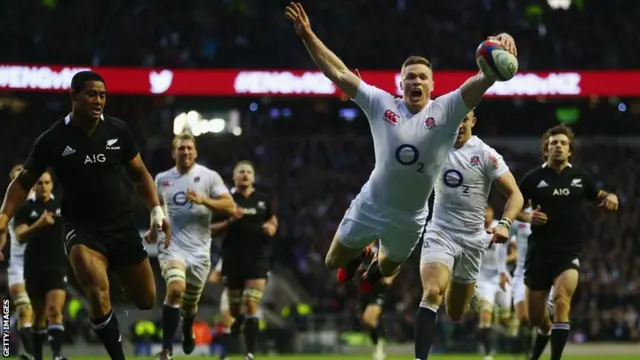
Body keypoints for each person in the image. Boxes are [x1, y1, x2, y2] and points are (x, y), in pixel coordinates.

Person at [284, 2, 518, 293]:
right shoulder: (381, 103)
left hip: (410, 217)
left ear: (432, 85)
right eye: (410, 76)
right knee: (333, 262)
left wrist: (501, 47)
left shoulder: (447, 110)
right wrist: (307, 35)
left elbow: (483, 79)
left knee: (388, 268)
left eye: (422, 77)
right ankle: (362, 252)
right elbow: (339, 72)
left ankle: (372, 260)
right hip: (371, 204)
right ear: (401, 83)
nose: (416, 81)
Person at [0, 71, 171, 360]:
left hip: (121, 226)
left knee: (146, 298)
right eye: (92, 94)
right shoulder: (53, 139)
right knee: (96, 290)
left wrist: (156, 210)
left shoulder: (118, 131)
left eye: (103, 95)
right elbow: (22, 182)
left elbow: (140, 175)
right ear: (74, 97)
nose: (99, 100)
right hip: (81, 229)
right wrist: (3, 217)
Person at [416, 111, 524, 360]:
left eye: (465, 119)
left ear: (473, 121)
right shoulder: (435, 146)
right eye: (455, 120)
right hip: (440, 232)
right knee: (432, 292)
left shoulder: (487, 154)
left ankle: (459, 281)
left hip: (473, 240)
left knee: (455, 312)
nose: (460, 124)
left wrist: (505, 223)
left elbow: (515, 194)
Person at [518, 124, 618, 360]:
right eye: (553, 143)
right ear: (546, 150)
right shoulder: (532, 179)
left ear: (570, 150)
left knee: (562, 300)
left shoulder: (580, 178)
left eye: (563, 143)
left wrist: (611, 196)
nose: (558, 147)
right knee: (535, 318)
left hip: (568, 252)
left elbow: (599, 196)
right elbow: (514, 209)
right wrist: (528, 216)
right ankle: (544, 333)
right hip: (539, 254)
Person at [154, 133, 236, 360]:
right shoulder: (162, 179)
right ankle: (167, 349)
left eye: (189, 148)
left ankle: (188, 329)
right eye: (181, 148)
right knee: (175, 289)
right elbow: (157, 208)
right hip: (172, 247)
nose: (186, 152)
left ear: (196, 152)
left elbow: (230, 207)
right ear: (174, 153)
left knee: (189, 306)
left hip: (200, 252)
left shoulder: (209, 177)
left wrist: (205, 201)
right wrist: (155, 229)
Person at [210, 161, 277, 360]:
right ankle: (236, 327)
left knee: (251, 304)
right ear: (234, 177)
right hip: (232, 260)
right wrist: (229, 221)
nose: (245, 175)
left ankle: (249, 353)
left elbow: (272, 219)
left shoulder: (263, 200)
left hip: (258, 259)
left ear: (253, 177)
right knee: (233, 309)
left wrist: (271, 227)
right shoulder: (226, 200)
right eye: (241, 172)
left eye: (248, 172)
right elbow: (211, 230)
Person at [13, 171, 67, 360]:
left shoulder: (61, 205)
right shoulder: (25, 209)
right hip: (34, 266)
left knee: (55, 310)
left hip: (57, 265)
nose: (43, 186)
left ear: (52, 185)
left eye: (46, 182)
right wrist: (40, 223)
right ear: (34, 186)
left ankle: (57, 356)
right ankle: (37, 357)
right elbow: (20, 236)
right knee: (38, 317)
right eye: (39, 183)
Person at [3, 165, 36, 360]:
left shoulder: (44, 202)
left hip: (41, 264)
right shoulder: (10, 207)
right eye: (14, 181)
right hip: (17, 263)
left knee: (38, 313)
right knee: (23, 308)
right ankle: (26, 353)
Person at [509, 207, 552, 360]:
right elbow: (503, 243)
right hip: (522, 273)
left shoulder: (552, 213)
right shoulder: (520, 216)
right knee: (523, 318)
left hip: (545, 273)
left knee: (544, 324)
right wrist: (502, 270)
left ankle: (534, 353)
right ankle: (527, 350)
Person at [475, 206, 512, 360]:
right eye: (482, 212)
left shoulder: (500, 227)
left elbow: (514, 251)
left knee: (506, 318)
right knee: (485, 313)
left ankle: (507, 345)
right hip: (483, 277)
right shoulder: (474, 229)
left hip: (501, 276)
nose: (485, 215)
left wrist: (501, 262)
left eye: (487, 211)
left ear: (491, 213)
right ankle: (488, 353)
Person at [357, 241, 397, 360]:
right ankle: (378, 343)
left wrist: (389, 277)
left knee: (368, 319)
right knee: (368, 321)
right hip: (365, 292)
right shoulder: (361, 254)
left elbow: (396, 264)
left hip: (379, 291)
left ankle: (379, 346)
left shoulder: (379, 252)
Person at [208, 259, 234, 360]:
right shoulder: (226, 256)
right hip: (229, 291)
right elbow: (213, 277)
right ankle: (227, 355)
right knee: (227, 323)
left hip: (246, 291)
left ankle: (248, 352)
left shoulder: (248, 254)